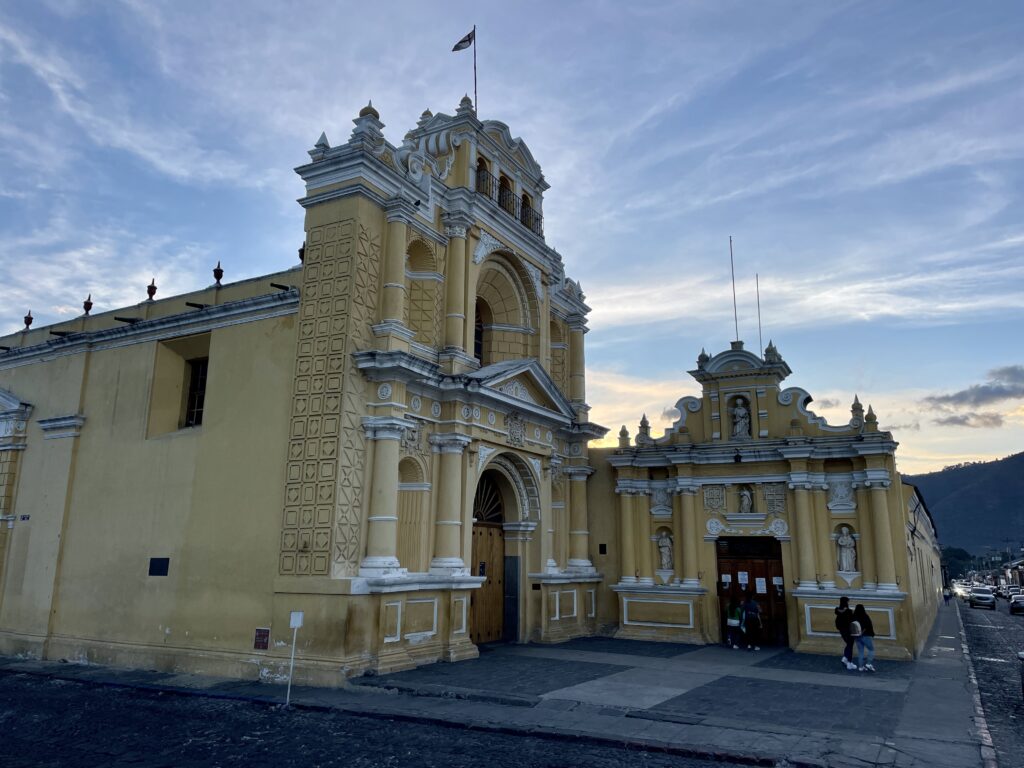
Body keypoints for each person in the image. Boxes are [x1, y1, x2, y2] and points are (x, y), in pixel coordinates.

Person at [835, 596, 856, 670]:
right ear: (846, 602)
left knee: (849, 644)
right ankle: (849, 663)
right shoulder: (849, 611)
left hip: (842, 630)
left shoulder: (837, 610)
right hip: (849, 631)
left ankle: (845, 658)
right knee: (850, 645)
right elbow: (852, 620)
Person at [853, 604, 876, 672]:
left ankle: (860, 667)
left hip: (857, 636)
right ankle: (868, 664)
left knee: (860, 651)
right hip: (865, 636)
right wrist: (872, 634)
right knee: (871, 649)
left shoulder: (854, 616)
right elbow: (869, 625)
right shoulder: (865, 616)